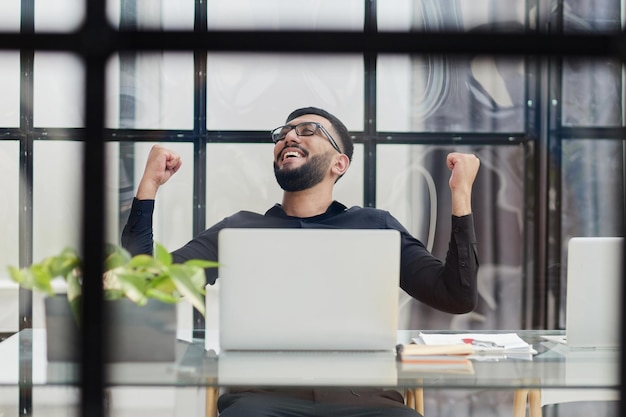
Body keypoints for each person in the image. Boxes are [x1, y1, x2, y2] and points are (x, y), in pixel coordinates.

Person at [121, 106, 480, 417]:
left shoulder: (376, 226)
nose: (289, 136)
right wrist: (149, 187)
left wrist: (460, 195)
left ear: (340, 163)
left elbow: (456, 296)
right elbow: (148, 287)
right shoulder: (238, 230)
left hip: (365, 401)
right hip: (260, 402)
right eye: (284, 133)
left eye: (308, 130)